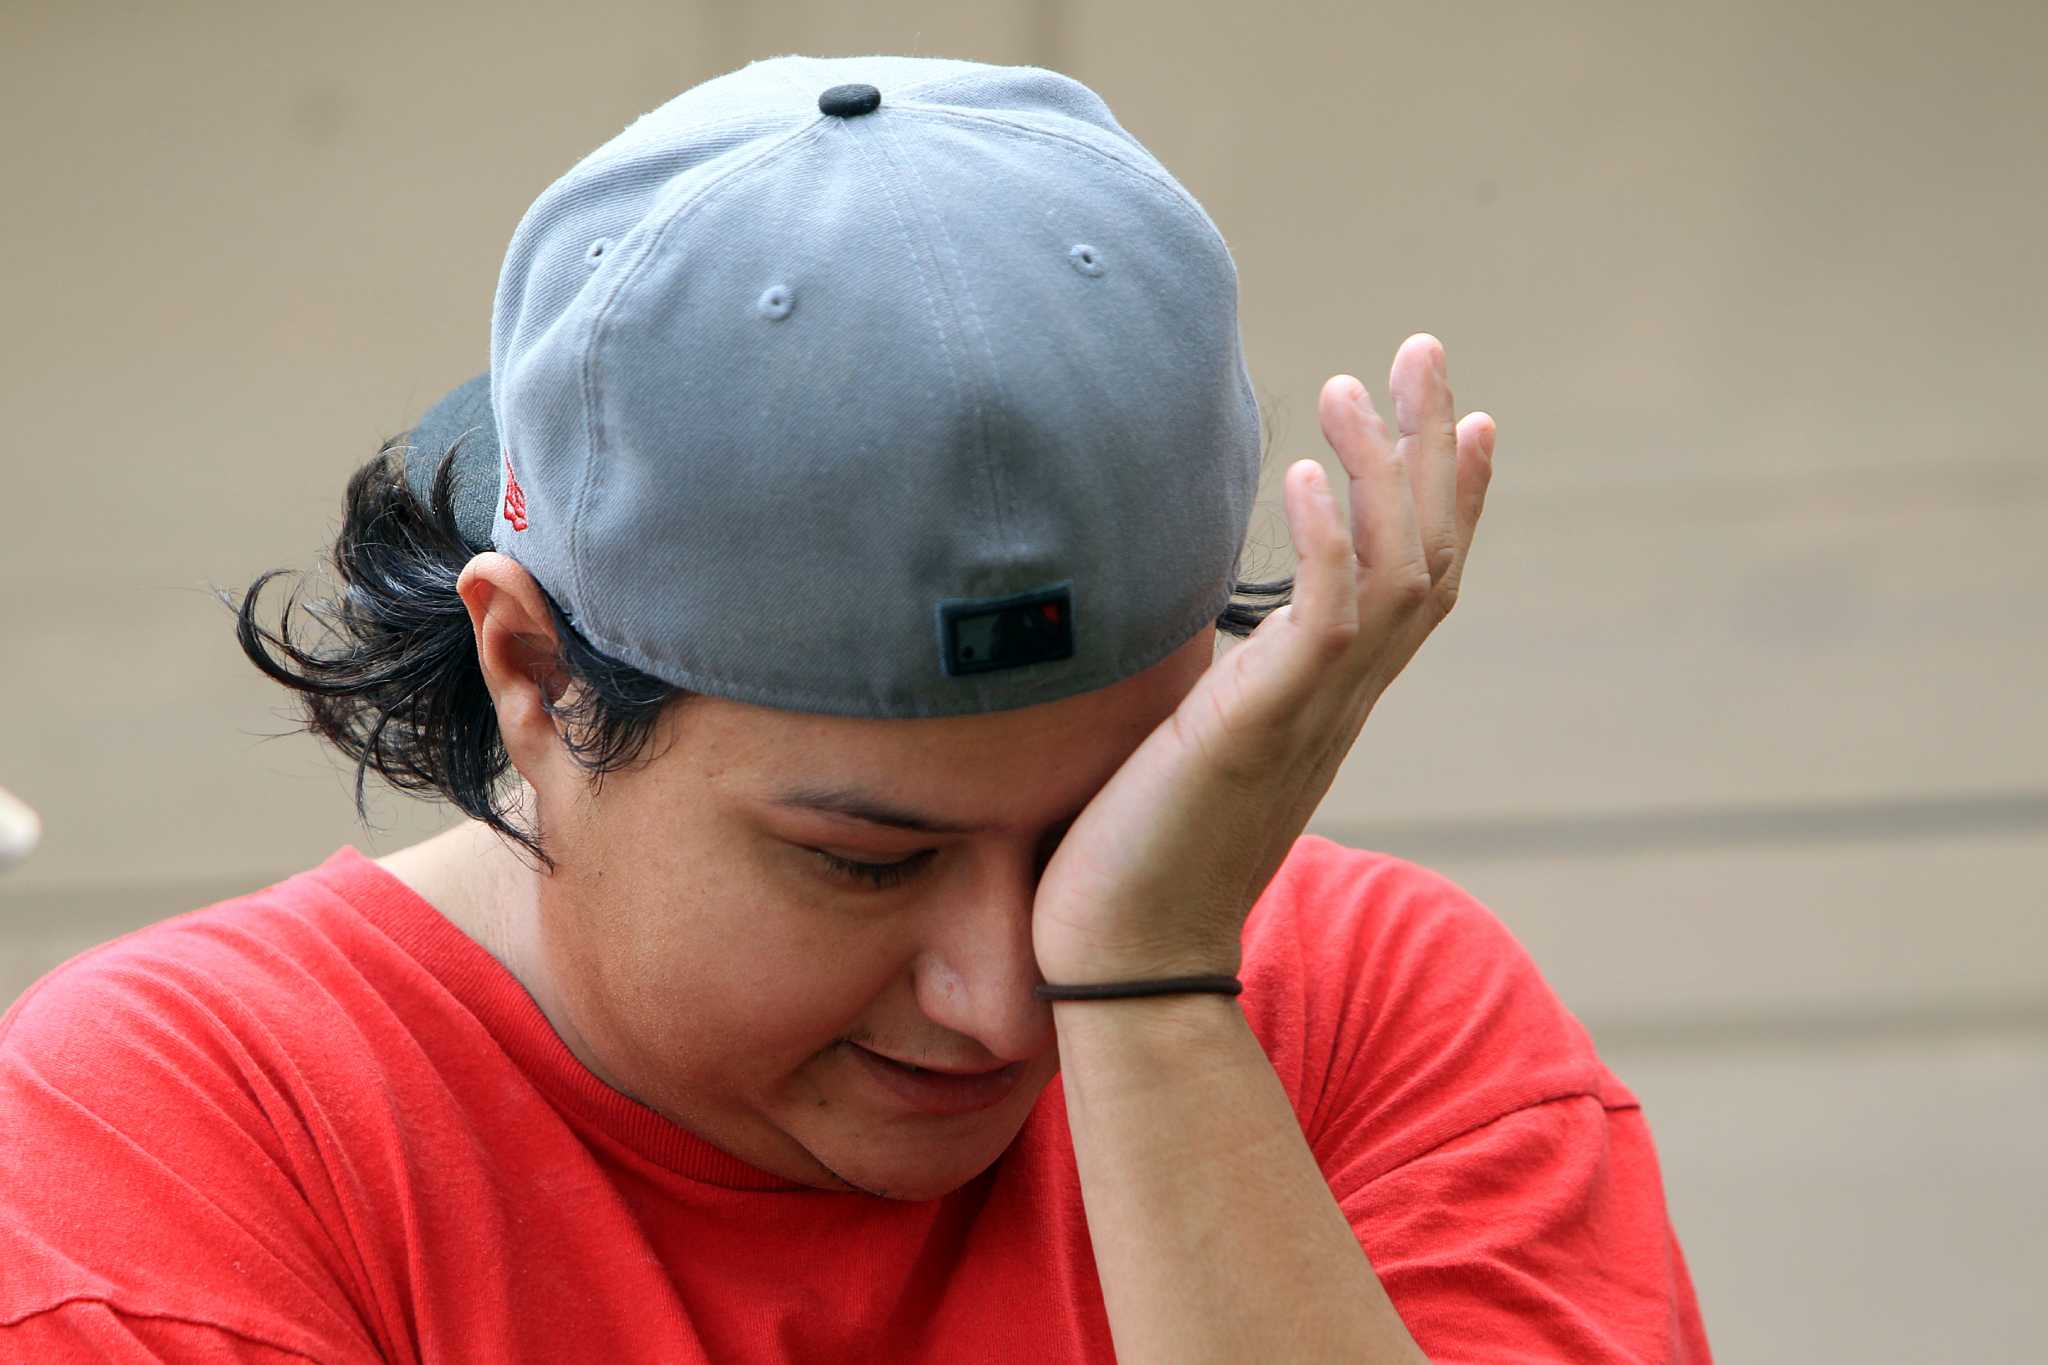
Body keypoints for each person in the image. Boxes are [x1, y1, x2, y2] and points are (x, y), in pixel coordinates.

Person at [0, 54, 1712, 1363]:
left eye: (1112, 820)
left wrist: (1162, 996)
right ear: (532, 675)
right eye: (866, 859)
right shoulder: (183, 1143)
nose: (1006, 1002)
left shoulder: (1370, 1020)